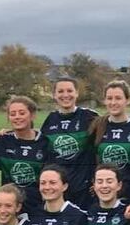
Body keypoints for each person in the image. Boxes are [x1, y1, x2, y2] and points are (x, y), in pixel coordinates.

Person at [90, 80, 130, 204]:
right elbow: (94, 159)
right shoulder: (97, 126)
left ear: (127, 100)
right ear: (104, 101)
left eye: (118, 98)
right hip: (105, 196)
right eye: (109, 98)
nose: (113, 102)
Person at [41, 77, 98, 210]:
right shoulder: (50, 120)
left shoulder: (89, 116)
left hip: (85, 189)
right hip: (59, 189)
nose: (65, 95)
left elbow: (110, 128)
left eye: (69, 91)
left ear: (77, 93)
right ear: (54, 95)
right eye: (60, 91)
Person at [0, 96, 50, 214]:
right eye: (13, 114)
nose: (17, 117)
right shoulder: (1, 141)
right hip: (9, 210)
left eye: (22, 113)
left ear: (32, 115)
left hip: (38, 209)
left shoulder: (45, 142)